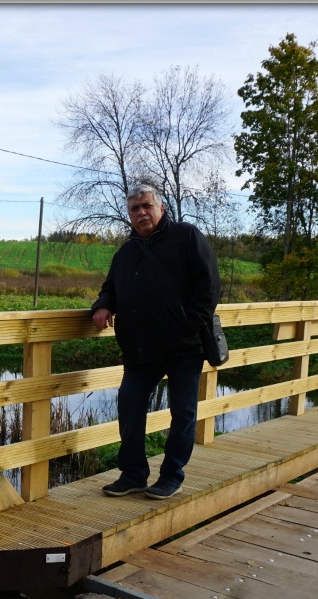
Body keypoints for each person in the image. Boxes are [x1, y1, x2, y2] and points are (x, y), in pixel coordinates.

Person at [91, 184, 221, 499]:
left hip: (183, 346)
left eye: (146, 206)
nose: (141, 213)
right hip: (139, 347)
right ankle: (134, 474)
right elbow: (111, 287)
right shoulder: (126, 252)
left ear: (160, 208)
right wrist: (103, 305)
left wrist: (190, 324)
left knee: (183, 412)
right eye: (135, 209)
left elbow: (210, 285)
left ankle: (171, 475)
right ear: (130, 214)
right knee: (130, 404)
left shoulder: (186, 237)